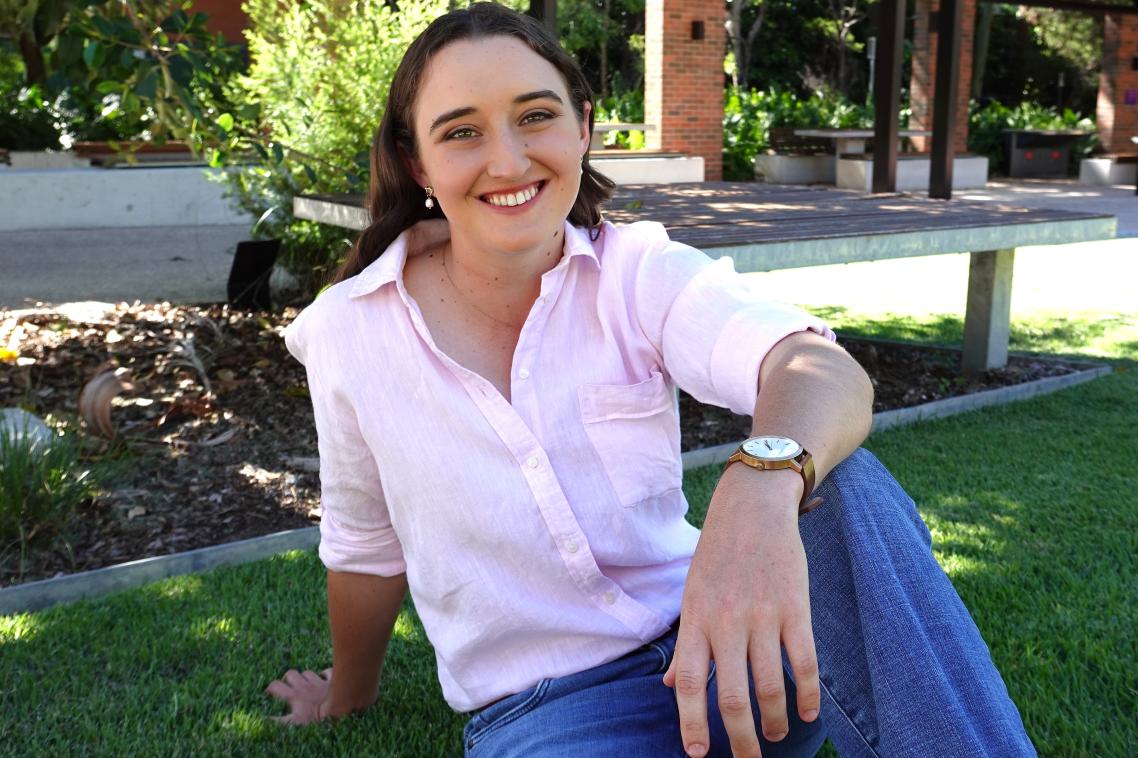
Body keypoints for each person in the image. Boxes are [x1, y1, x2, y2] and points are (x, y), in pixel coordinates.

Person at [266, 4, 1036, 756]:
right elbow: (365, 543)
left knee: (843, 485)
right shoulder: (350, 331)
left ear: (583, 128)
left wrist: (760, 484)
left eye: (536, 116)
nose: (506, 160)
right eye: (462, 131)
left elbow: (815, 368)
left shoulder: (637, 272)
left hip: (727, 644)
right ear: (417, 163)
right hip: (549, 712)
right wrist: (348, 693)